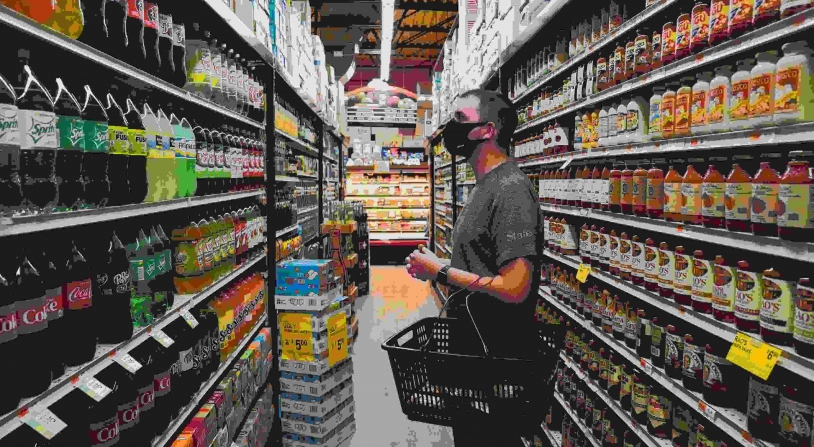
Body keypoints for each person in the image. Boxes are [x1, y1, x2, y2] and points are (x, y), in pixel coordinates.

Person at [405, 89, 546, 446]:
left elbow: (516, 287)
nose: (449, 128)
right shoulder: (485, 186)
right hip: (474, 356)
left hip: (495, 362)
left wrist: (439, 272)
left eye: (458, 120)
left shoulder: (511, 190)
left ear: (487, 129)